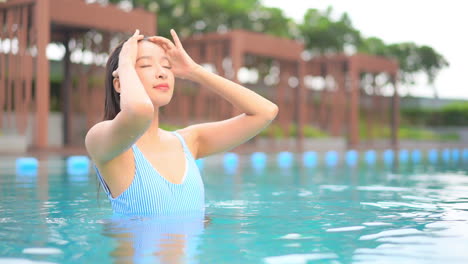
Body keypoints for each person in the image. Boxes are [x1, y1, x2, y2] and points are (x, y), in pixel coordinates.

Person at [85, 29, 278, 216]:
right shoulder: (102, 140)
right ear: (119, 83)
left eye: (167, 66)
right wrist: (125, 63)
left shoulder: (189, 141)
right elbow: (139, 111)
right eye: (145, 65)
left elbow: (265, 112)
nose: (162, 73)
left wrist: (193, 71)